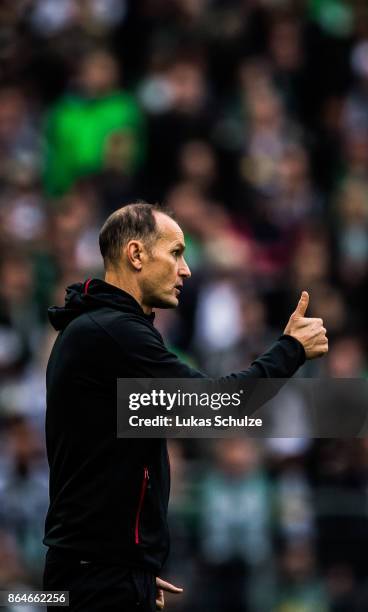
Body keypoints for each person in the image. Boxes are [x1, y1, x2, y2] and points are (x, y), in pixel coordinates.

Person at [43, 202, 328, 611]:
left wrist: (130, 568)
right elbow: (218, 406)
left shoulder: (99, 331)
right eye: (176, 252)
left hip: (96, 572)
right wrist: (291, 350)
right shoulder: (114, 333)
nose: (186, 269)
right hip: (95, 578)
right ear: (136, 254)